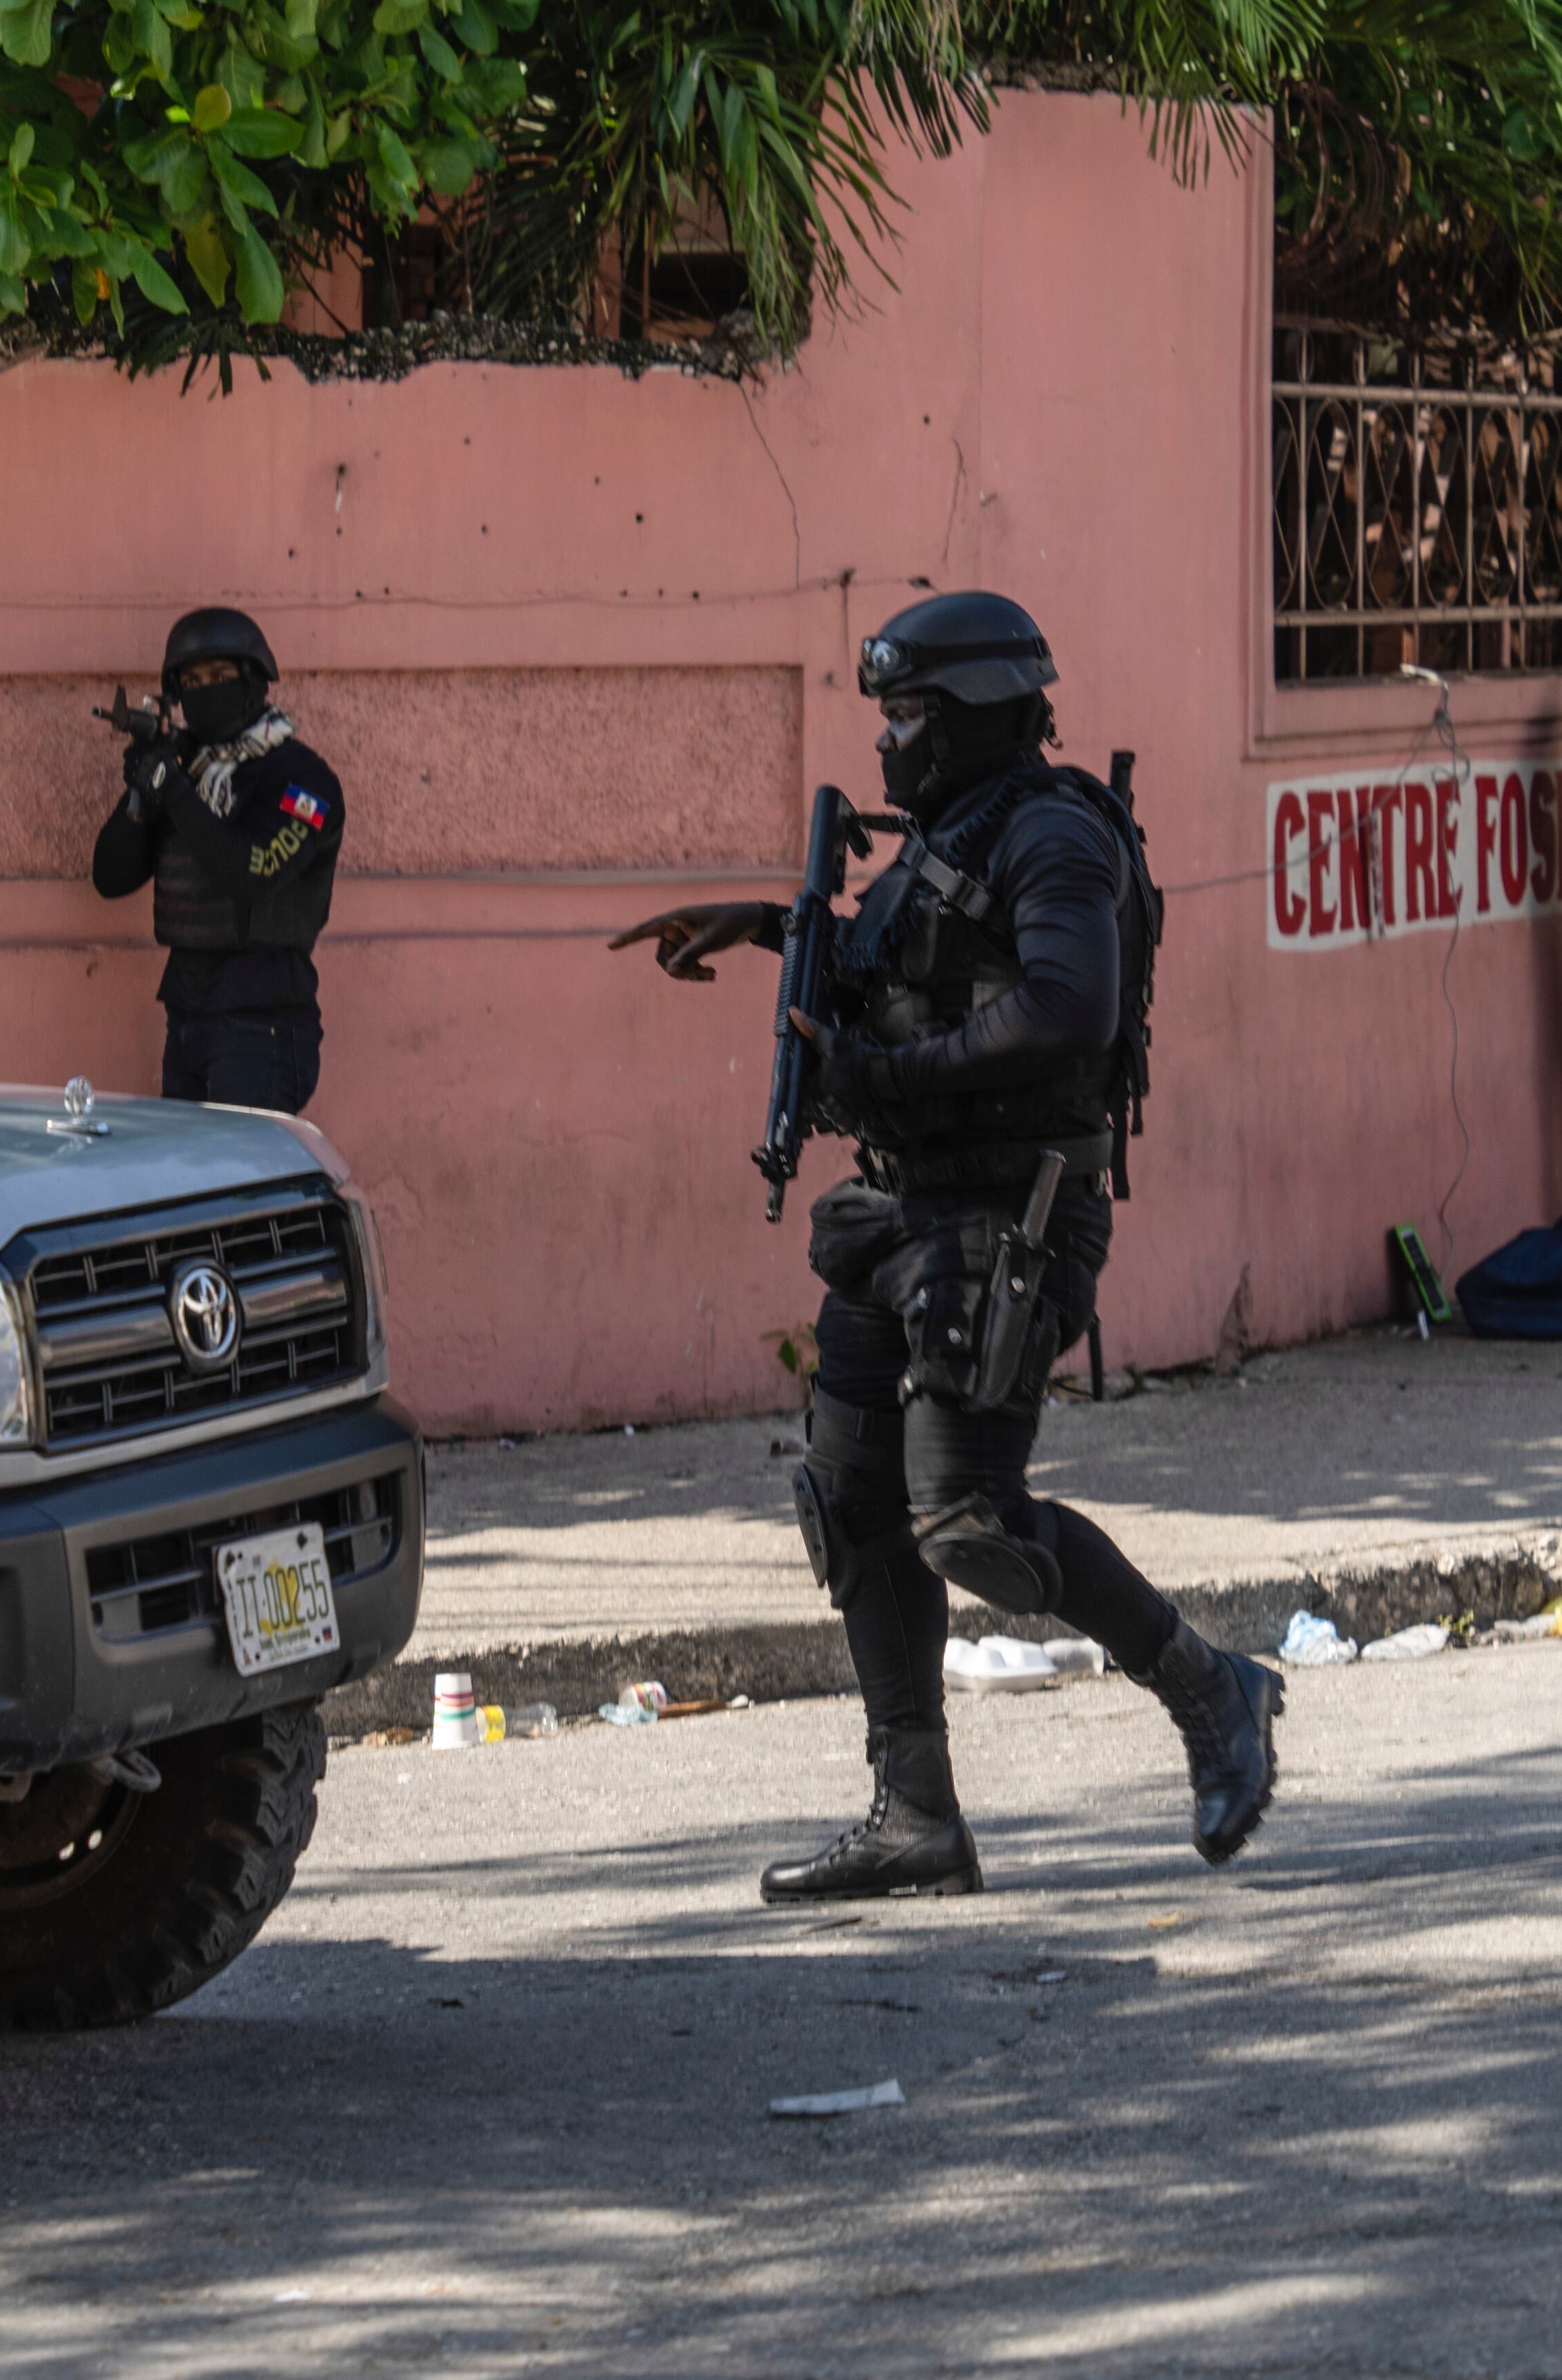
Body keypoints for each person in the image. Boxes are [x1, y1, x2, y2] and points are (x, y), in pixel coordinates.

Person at [606, 591, 1279, 1901]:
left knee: (967, 1520)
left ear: (974, 713)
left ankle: (1213, 1688)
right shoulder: (949, 833)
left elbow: (1069, 1008)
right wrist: (770, 927)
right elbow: (901, 965)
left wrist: (888, 1077)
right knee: (852, 1500)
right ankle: (914, 1812)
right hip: (903, 1214)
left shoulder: (1052, 834)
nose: (888, 740)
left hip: (1007, 1219)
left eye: (908, 713)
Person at [89, 608, 342, 1112]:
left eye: (220, 676)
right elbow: (111, 878)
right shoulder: (191, 774)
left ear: (253, 681)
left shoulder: (301, 779)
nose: (205, 690)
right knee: (191, 1163)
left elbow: (255, 871)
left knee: (244, 1164)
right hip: (187, 1011)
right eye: (191, 682)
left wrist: (172, 788)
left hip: (262, 1022)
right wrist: (142, 791)